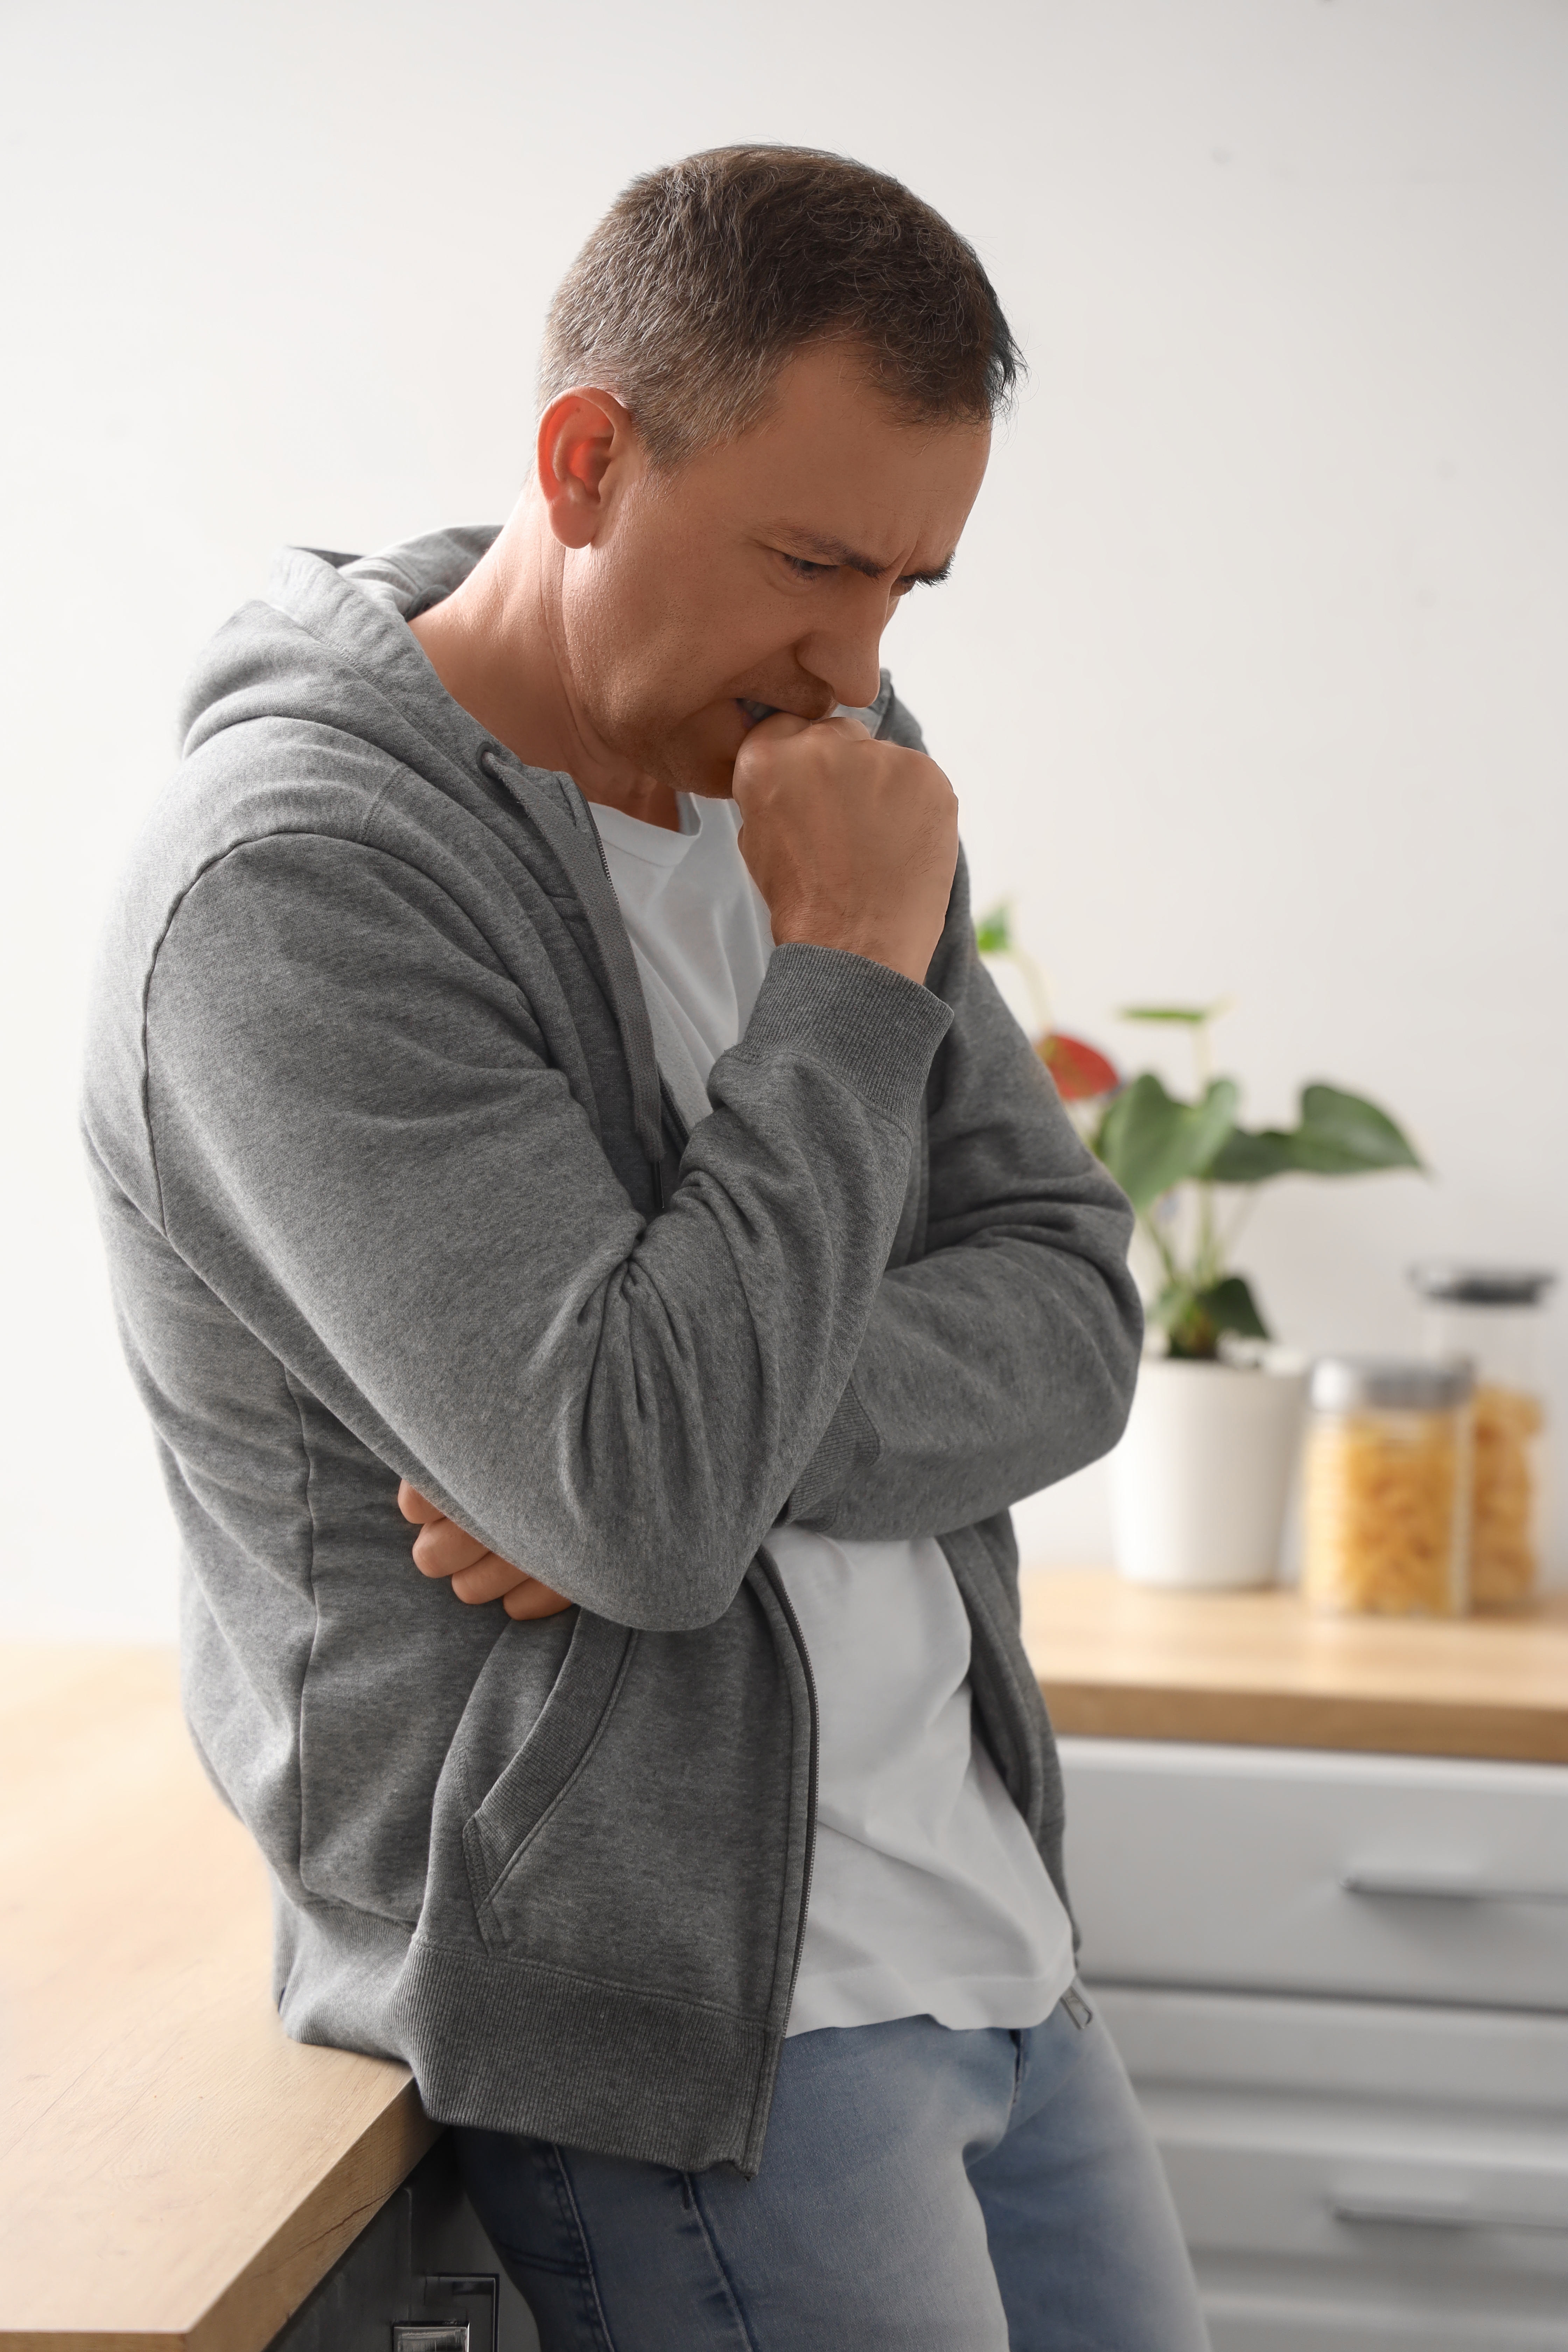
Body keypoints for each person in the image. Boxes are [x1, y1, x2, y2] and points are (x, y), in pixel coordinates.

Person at [83, 146, 1208, 2350]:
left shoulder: (828, 768)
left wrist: (695, 1435)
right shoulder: (300, 892)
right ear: (586, 461)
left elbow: (1075, 1309)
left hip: (986, 1931)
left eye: (912, 587)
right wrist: (850, 983)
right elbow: (644, 1491)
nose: (857, 659)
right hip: (682, 2027)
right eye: (811, 560)